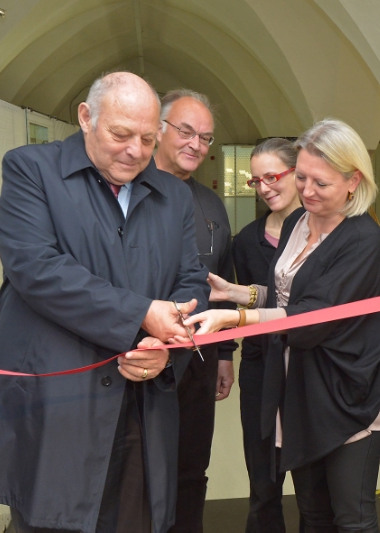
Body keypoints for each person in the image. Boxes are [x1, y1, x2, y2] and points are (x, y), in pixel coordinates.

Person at [0, 72, 210, 533]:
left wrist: (166, 346)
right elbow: (37, 268)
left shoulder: (173, 195)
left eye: (148, 140)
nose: (135, 151)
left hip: (139, 407)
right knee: (51, 520)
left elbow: (191, 279)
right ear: (85, 117)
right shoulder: (32, 170)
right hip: (56, 406)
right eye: (120, 135)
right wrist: (142, 315)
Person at [188, 119, 380, 533]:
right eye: (302, 178)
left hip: (345, 394)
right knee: (313, 514)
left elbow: (311, 317)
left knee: (352, 519)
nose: (307, 191)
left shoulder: (363, 241)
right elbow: (289, 298)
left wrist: (235, 319)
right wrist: (236, 293)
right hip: (299, 391)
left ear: (353, 181)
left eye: (321, 182)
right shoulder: (299, 223)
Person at [153, 88, 237, 533]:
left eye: (205, 138)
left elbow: (224, 280)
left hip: (200, 358)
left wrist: (225, 355)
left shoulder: (211, 204)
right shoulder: (131, 191)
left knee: (191, 466)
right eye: (186, 132)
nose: (196, 145)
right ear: (158, 129)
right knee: (142, 467)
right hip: (144, 354)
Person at [233, 138, 302, 532]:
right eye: (256, 181)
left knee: (315, 493)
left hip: (309, 372)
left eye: (272, 177)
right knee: (263, 486)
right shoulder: (247, 240)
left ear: (298, 171)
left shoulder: (325, 233)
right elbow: (254, 310)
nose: (264, 188)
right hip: (261, 373)